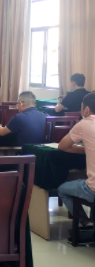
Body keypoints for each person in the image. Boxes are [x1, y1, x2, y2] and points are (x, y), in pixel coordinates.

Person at [58, 92, 95, 229]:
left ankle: (86, 222)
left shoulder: (85, 123)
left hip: (93, 189)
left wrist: (84, 149)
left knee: (62, 190)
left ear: (86, 109)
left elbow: (62, 146)